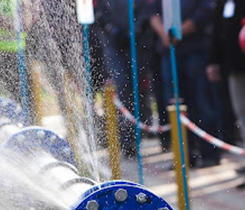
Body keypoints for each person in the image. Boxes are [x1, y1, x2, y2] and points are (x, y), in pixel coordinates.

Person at [149, 0, 223, 168]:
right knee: (175, 105)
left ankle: (210, 153)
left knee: (203, 103)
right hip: (169, 52)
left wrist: (179, 32)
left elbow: (206, 11)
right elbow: (153, 13)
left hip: (196, 49)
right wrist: (164, 35)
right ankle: (185, 156)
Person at [95, 0, 154, 157]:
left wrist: (136, 29)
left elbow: (146, 9)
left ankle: (139, 133)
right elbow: (99, 12)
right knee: (122, 90)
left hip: (137, 43)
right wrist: (112, 30)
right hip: (113, 45)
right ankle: (126, 141)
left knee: (138, 91)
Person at [207, 0, 245, 168]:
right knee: (242, 114)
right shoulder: (224, 3)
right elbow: (218, 32)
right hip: (234, 69)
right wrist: (213, 61)